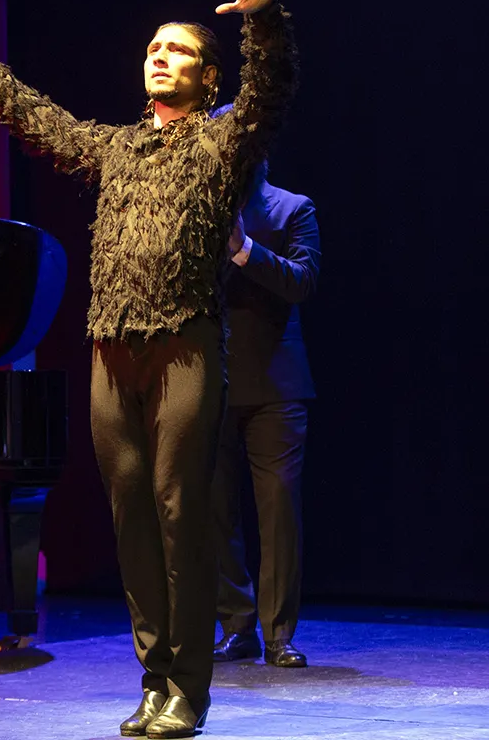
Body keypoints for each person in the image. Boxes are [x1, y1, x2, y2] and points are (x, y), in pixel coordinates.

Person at [0, 0, 297, 739]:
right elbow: (42, 122)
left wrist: (261, 16)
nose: (160, 55)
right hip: (110, 352)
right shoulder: (117, 149)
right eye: (154, 47)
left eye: (180, 50)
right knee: (130, 517)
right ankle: (154, 677)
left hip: (185, 348)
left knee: (178, 510)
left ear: (207, 78)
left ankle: (189, 686)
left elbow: (270, 96)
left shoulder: (221, 146)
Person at [208, 139, 320, 669]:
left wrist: (245, 250)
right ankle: (236, 626)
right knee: (213, 512)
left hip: (276, 386)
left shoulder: (292, 208)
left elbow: (302, 282)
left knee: (277, 513)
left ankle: (279, 635)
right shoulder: (195, 207)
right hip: (208, 382)